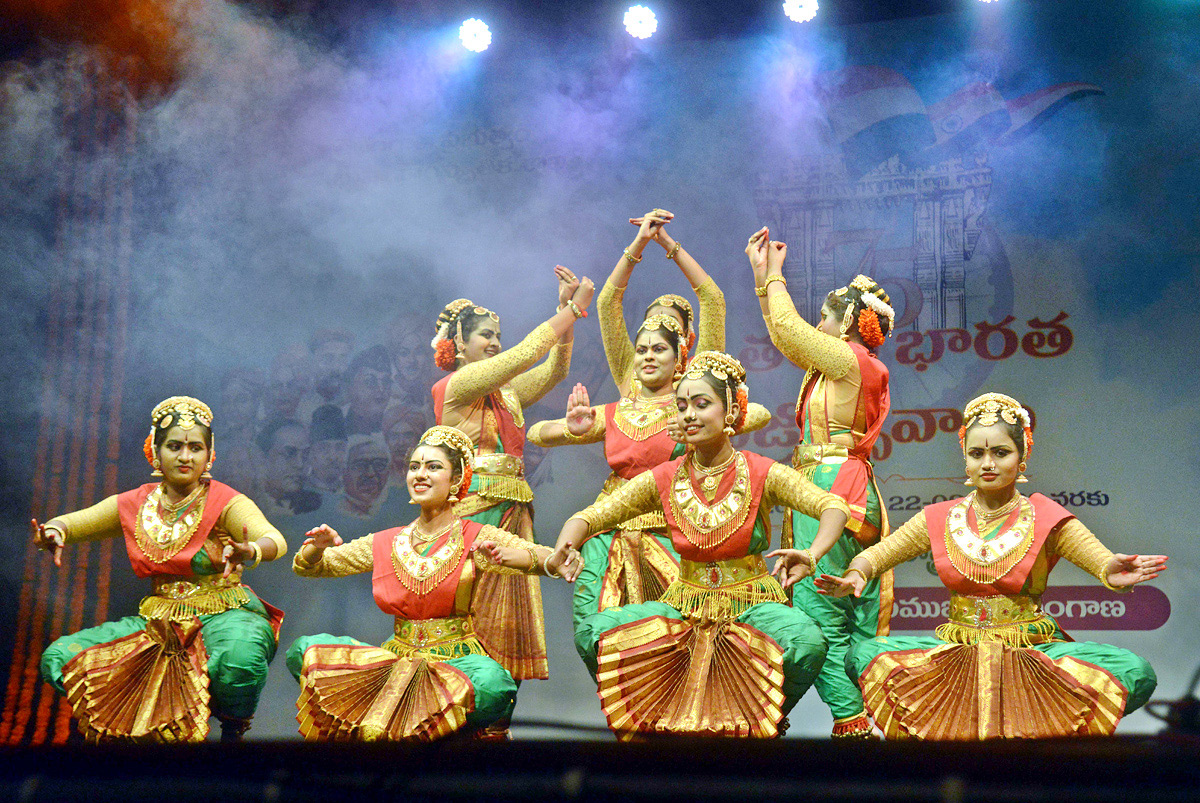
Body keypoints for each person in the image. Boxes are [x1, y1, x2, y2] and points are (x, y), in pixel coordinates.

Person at [815, 393, 1166, 739]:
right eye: (977, 453)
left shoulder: (1045, 516)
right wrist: (857, 572)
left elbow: (1100, 560)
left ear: (1022, 457)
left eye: (1001, 453)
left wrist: (1113, 571)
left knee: (1136, 672)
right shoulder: (939, 517)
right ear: (965, 460)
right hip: (957, 649)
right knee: (863, 655)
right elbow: (878, 553)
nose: (988, 464)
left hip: (1030, 651)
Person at [548, 352, 851, 738]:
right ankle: (652, 713)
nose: (689, 414)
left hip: (751, 603)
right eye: (682, 406)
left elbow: (833, 507)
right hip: (685, 604)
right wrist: (566, 544)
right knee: (595, 632)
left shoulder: (760, 471)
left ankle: (761, 718)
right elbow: (591, 516)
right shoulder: (665, 476)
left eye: (701, 404)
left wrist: (812, 553)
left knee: (806, 641)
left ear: (730, 413)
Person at [287, 426, 576, 741]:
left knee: (494, 684)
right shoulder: (387, 541)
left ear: (456, 481)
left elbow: (540, 556)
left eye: (433, 467)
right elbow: (318, 567)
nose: (420, 475)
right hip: (398, 659)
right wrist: (317, 547)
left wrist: (553, 561)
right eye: (414, 467)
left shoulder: (476, 536)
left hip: (456, 663)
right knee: (304, 651)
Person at [34, 396, 288, 741]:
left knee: (239, 658)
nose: (186, 457)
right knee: (60, 658)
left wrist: (252, 549)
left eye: (196, 447)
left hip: (224, 612)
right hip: (159, 622)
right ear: (155, 450)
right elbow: (74, 523)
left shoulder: (226, 501)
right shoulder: (136, 502)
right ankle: (147, 726)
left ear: (209, 455)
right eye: (175, 446)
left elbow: (275, 539)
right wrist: (54, 531)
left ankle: (232, 734)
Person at [747, 228, 895, 738]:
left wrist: (776, 276)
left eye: (827, 316)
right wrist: (762, 276)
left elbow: (788, 325)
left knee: (822, 613)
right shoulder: (837, 367)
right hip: (838, 483)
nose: (817, 324)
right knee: (839, 612)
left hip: (835, 486)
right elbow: (784, 334)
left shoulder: (850, 362)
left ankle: (848, 724)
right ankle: (859, 718)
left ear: (848, 322)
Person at [429, 266, 593, 680]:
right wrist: (573, 309)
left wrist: (563, 313)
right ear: (459, 345)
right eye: (485, 334)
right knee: (470, 609)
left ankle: (495, 719)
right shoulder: (457, 386)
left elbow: (555, 369)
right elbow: (524, 354)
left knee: (506, 619)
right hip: (471, 509)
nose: (495, 342)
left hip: (513, 510)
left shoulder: (506, 393)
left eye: (497, 336)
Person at [528, 314, 689, 644]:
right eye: (641, 349)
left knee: (674, 628)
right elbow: (536, 433)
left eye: (659, 349)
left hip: (668, 528)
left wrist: (694, 429)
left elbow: (755, 415)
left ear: (679, 359)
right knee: (593, 625)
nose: (648, 356)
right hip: (609, 527)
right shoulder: (618, 411)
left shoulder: (690, 410)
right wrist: (571, 430)